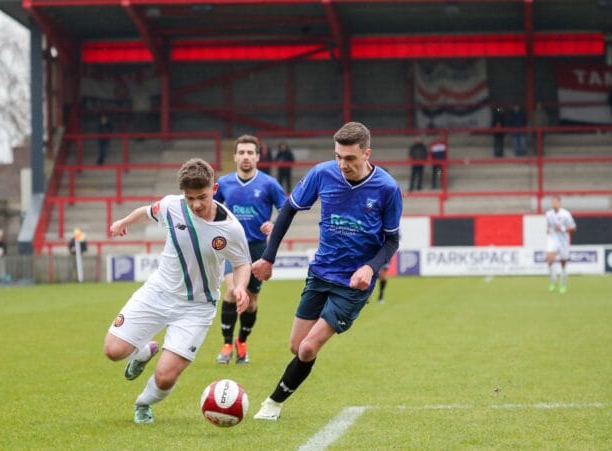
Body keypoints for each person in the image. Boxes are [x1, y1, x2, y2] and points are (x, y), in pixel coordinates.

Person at [251, 121, 402, 421]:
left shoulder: (387, 188)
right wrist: (268, 257)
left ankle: (272, 404)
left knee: (307, 348)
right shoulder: (322, 174)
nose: (342, 164)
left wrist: (371, 268)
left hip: (353, 285)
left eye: (350, 158)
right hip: (320, 273)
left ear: (366, 153)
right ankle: (290, 383)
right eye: (338, 156)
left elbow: (392, 239)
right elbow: (290, 209)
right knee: (296, 346)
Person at [103, 158, 252, 424]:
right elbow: (148, 211)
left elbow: (242, 263)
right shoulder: (173, 206)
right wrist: (123, 222)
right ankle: (143, 352)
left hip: (197, 307)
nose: (196, 204)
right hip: (157, 293)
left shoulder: (231, 229)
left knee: (165, 375)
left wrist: (240, 287)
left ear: (214, 189)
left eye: (202, 197)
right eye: (190, 197)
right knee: (113, 350)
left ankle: (143, 404)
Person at [214, 135, 288, 365]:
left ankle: (242, 343)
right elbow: (209, 208)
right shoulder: (224, 183)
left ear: (257, 157)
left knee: (252, 300)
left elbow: (286, 210)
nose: (246, 157)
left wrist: (274, 225)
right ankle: (226, 345)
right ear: (235, 156)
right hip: (232, 246)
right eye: (242, 152)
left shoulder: (269, 184)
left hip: (257, 248)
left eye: (250, 153)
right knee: (232, 291)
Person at [545, 196, 576, 294]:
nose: (553, 204)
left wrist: (562, 228)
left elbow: (573, 229)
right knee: (549, 260)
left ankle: (563, 283)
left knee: (563, 264)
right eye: (552, 202)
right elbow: (549, 225)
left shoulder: (566, 214)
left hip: (563, 241)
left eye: (555, 202)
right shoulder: (548, 214)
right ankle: (553, 282)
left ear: (559, 203)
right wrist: (548, 229)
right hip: (553, 240)